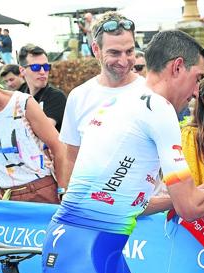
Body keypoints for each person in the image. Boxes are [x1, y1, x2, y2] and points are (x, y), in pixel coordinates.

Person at [41, 28, 204, 273]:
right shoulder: (159, 110)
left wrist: (174, 198)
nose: (197, 91)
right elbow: (189, 208)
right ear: (177, 67)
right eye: (198, 78)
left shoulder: (124, 101)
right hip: (77, 254)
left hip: (100, 252)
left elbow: (123, 198)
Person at [60, 12, 145, 187]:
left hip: (145, 210)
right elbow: (71, 158)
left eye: (129, 51)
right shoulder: (78, 96)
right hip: (93, 208)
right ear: (96, 50)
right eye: (114, 53)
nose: (123, 61)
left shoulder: (152, 94)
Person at [0, 60, 66, 203]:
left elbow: (59, 146)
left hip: (43, 194)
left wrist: (63, 191)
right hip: (6, 200)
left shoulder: (22, 103)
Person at [18, 44, 67, 131]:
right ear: (22, 70)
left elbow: (42, 131)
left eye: (46, 67)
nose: (42, 72)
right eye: (36, 67)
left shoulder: (56, 97)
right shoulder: (19, 94)